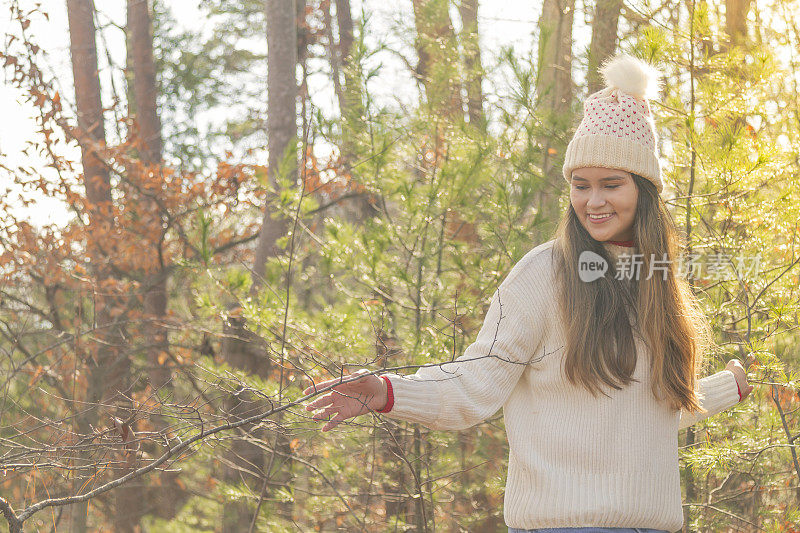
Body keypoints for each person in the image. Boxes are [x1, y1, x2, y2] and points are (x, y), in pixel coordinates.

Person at [302, 53, 754, 533]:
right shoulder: (546, 273)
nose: (594, 201)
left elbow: (632, 420)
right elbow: (474, 384)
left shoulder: (658, 281)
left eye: (611, 184)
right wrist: (388, 391)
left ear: (644, 190)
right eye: (581, 185)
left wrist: (728, 388)